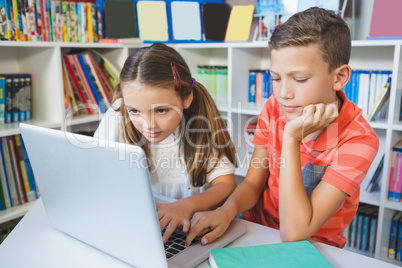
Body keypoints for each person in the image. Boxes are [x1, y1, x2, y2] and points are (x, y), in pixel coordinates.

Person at [186, 7, 379, 248]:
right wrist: (226, 211)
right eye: (276, 78)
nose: (283, 94)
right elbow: (253, 183)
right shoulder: (274, 107)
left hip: (311, 243)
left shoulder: (358, 139)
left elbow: (294, 233)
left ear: (339, 77)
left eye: (299, 79)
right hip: (255, 229)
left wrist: (291, 138)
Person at [93, 43, 237, 243]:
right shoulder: (118, 114)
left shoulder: (199, 123)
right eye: (135, 111)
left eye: (161, 110)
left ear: (186, 98)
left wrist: (187, 205)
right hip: (137, 224)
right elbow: (94, 171)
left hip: (188, 227)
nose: (148, 125)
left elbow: (226, 184)